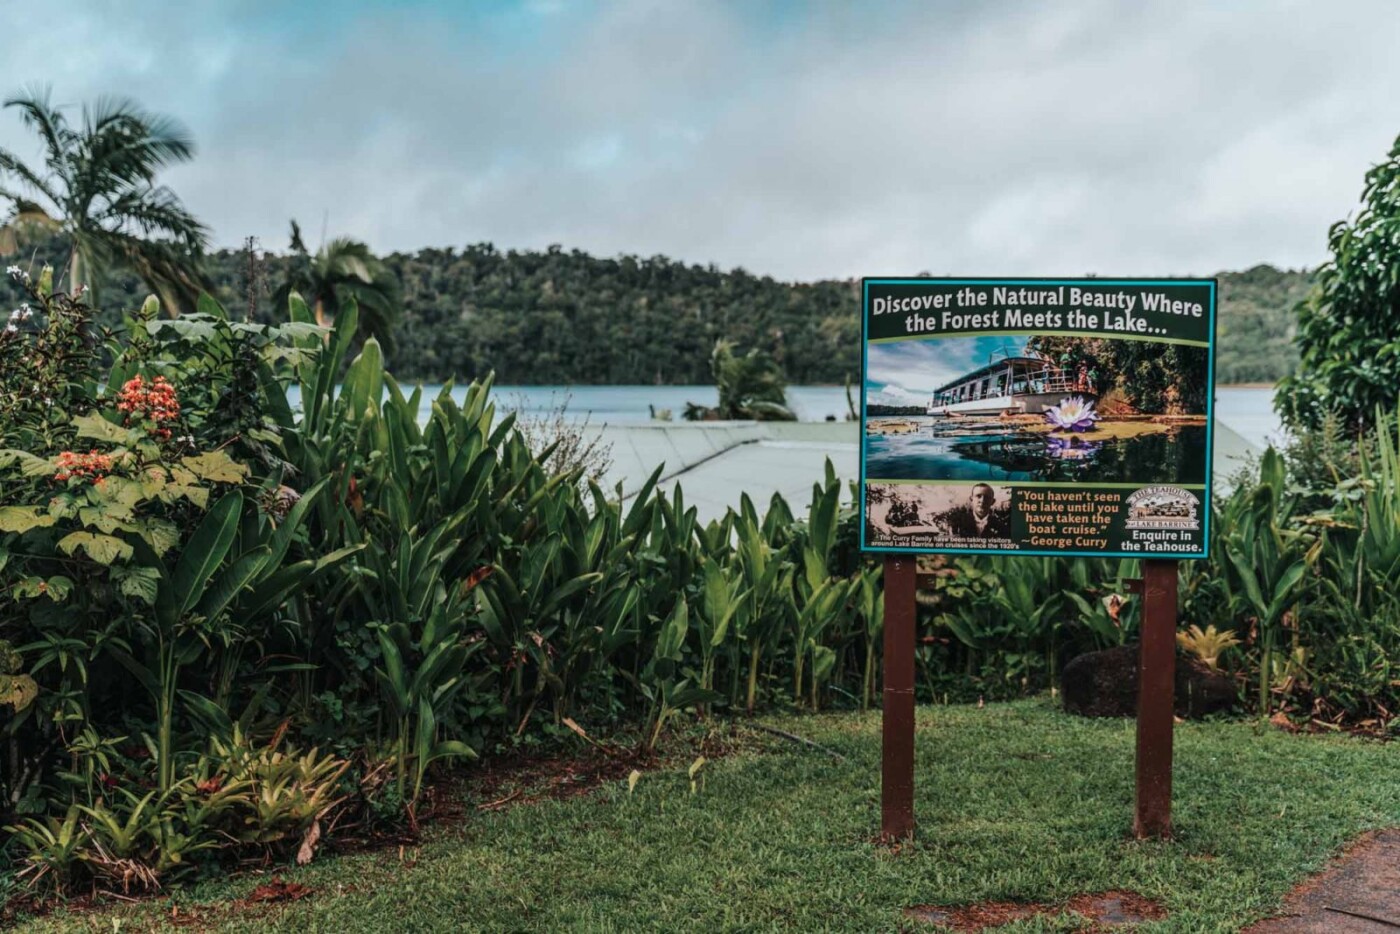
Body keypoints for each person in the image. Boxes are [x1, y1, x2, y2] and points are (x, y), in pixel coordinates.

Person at [943, 483, 1009, 539]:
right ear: (971, 499)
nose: (982, 501)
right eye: (978, 496)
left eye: (987, 497)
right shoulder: (958, 524)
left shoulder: (1001, 527)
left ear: (993, 501)